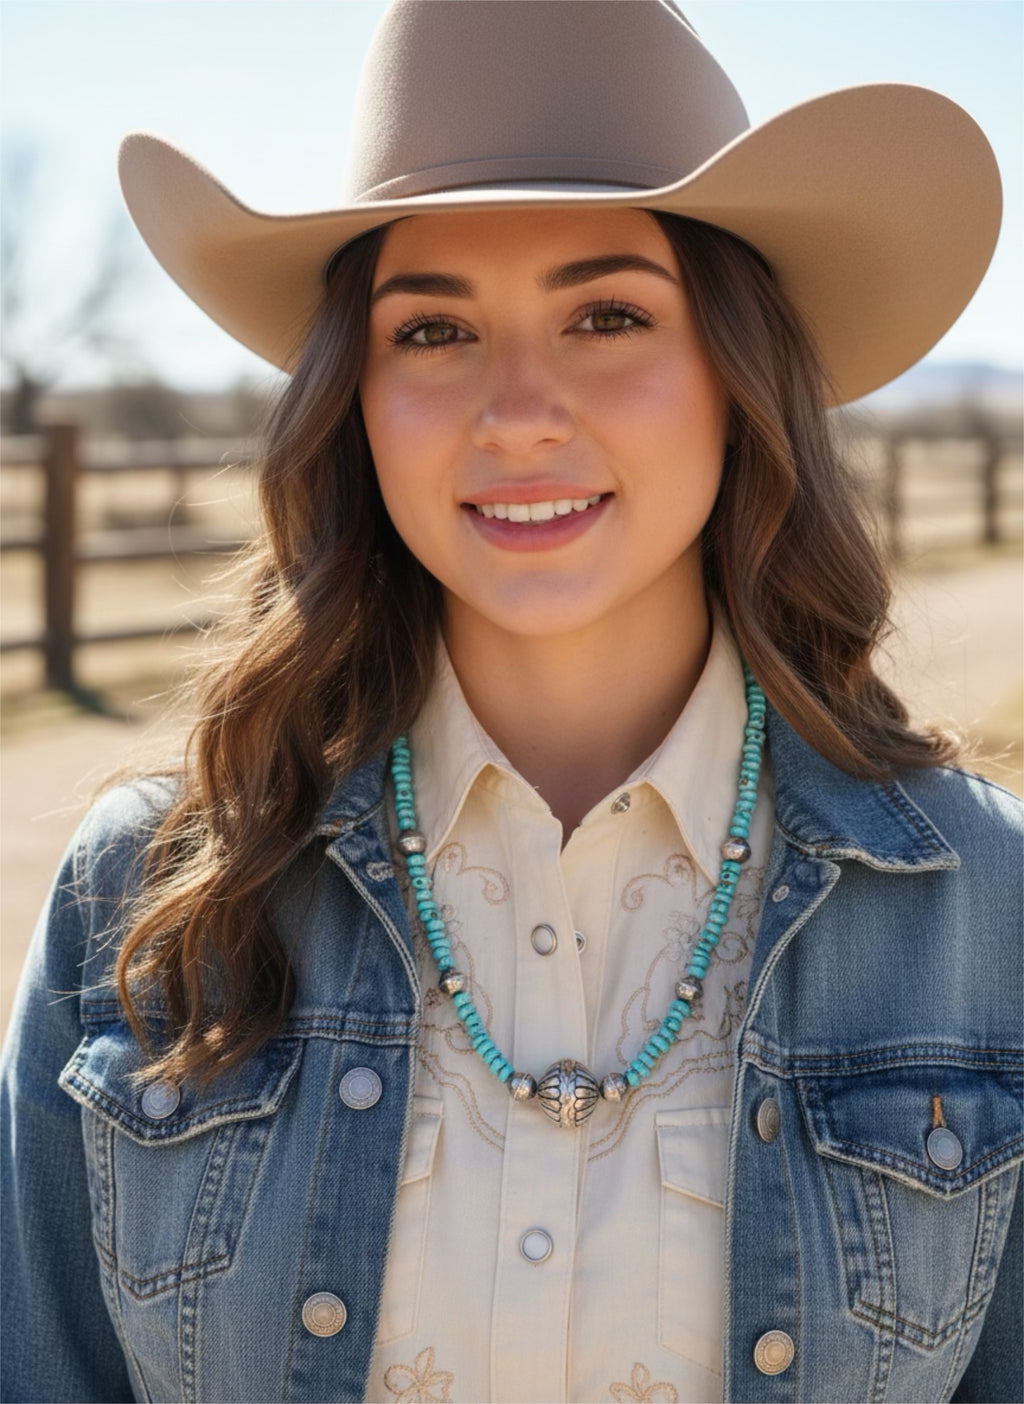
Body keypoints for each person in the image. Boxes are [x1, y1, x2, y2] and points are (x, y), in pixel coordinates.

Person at [2, 3, 1021, 1402]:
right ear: (351, 396)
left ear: (738, 373)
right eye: (432, 330)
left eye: (608, 314)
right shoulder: (147, 895)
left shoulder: (982, 911)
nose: (518, 410)